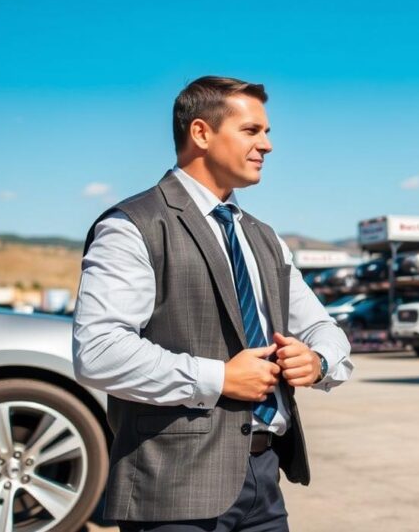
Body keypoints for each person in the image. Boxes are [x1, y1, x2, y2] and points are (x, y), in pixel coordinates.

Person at [73, 76, 353, 531]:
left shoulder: (263, 236)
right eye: (252, 131)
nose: (268, 145)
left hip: (264, 482)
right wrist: (220, 377)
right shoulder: (134, 225)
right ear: (201, 133)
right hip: (172, 488)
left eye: (267, 131)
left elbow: (324, 327)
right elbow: (99, 352)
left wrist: (318, 361)